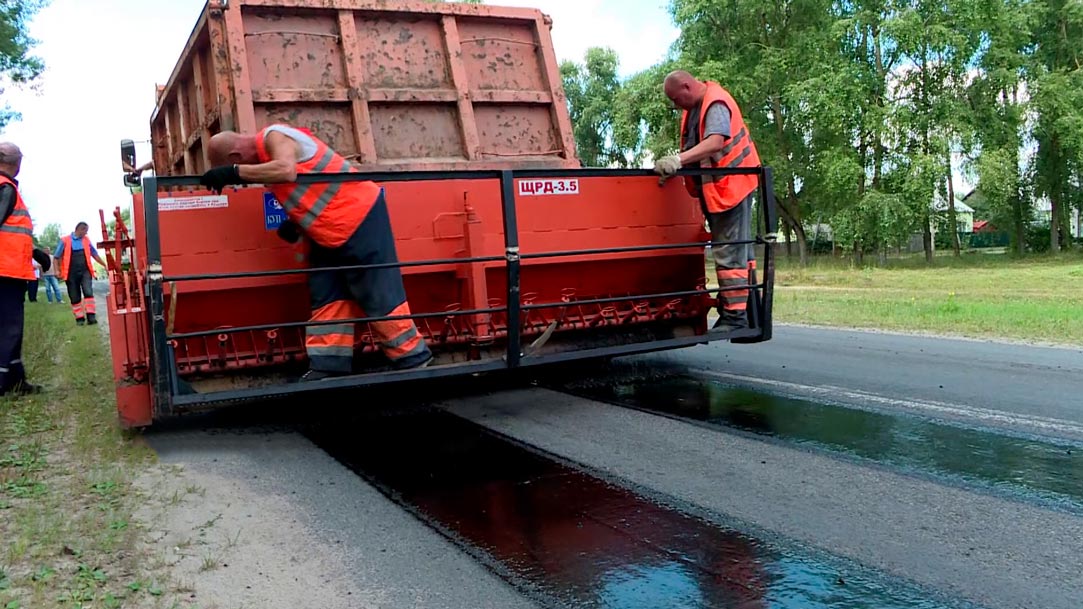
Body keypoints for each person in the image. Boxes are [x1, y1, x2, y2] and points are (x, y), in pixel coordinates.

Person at [199, 125, 433, 379]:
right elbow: (312, 189)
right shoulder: (268, 161)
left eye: (234, 167)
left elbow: (287, 171)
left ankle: (412, 358)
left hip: (359, 217)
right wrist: (296, 223)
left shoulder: (273, 137)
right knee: (328, 296)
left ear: (236, 157)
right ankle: (329, 365)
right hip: (327, 231)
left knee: (376, 292)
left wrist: (234, 173)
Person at [653, 71, 762, 331]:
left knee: (729, 252)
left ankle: (735, 318)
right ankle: (747, 311)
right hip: (719, 190)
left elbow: (715, 142)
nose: (676, 105)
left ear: (687, 86)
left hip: (731, 188)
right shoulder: (695, 109)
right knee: (737, 251)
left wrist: (677, 160)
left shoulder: (715, 103)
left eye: (676, 99)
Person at [0, 142, 44, 396]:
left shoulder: (7, 188)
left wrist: (35, 252)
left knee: (12, 327)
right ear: (16, 163)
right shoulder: (5, 187)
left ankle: (16, 380)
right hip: (6, 270)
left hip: (11, 269)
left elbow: (13, 231)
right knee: (9, 327)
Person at [54, 222, 106, 325]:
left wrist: (104, 265)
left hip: (85, 271)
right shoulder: (65, 240)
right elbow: (56, 257)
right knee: (75, 296)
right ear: (79, 229)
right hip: (70, 273)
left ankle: (91, 318)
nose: (86, 233)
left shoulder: (86, 240)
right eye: (85, 231)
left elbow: (94, 254)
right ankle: (80, 319)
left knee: (88, 292)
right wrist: (57, 270)